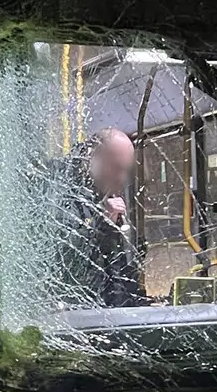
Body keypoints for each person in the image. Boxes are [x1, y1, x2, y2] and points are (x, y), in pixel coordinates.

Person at [54, 127, 148, 308]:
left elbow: (116, 267)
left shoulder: (106, 198)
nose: (121, 178)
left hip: (109, 311)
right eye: (116, 169)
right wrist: (100, 223)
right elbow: (64, 260)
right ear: (93, 158)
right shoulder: (62, 194)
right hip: (77, 313)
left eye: (125, 171)